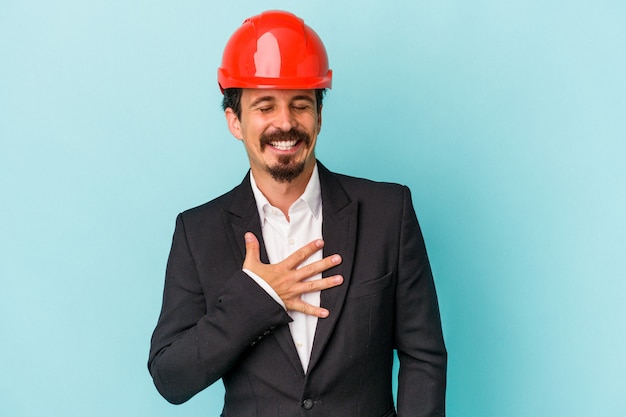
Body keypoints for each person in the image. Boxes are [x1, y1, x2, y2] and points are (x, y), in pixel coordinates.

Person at [148, 10, 447, 417]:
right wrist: (256, 298)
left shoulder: (388, 213)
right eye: (265, 107)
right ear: (234, 121)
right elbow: (171, 377)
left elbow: (423, 355)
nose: (285, 123)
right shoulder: (197, 232)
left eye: (301, 105)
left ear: (319, 116)